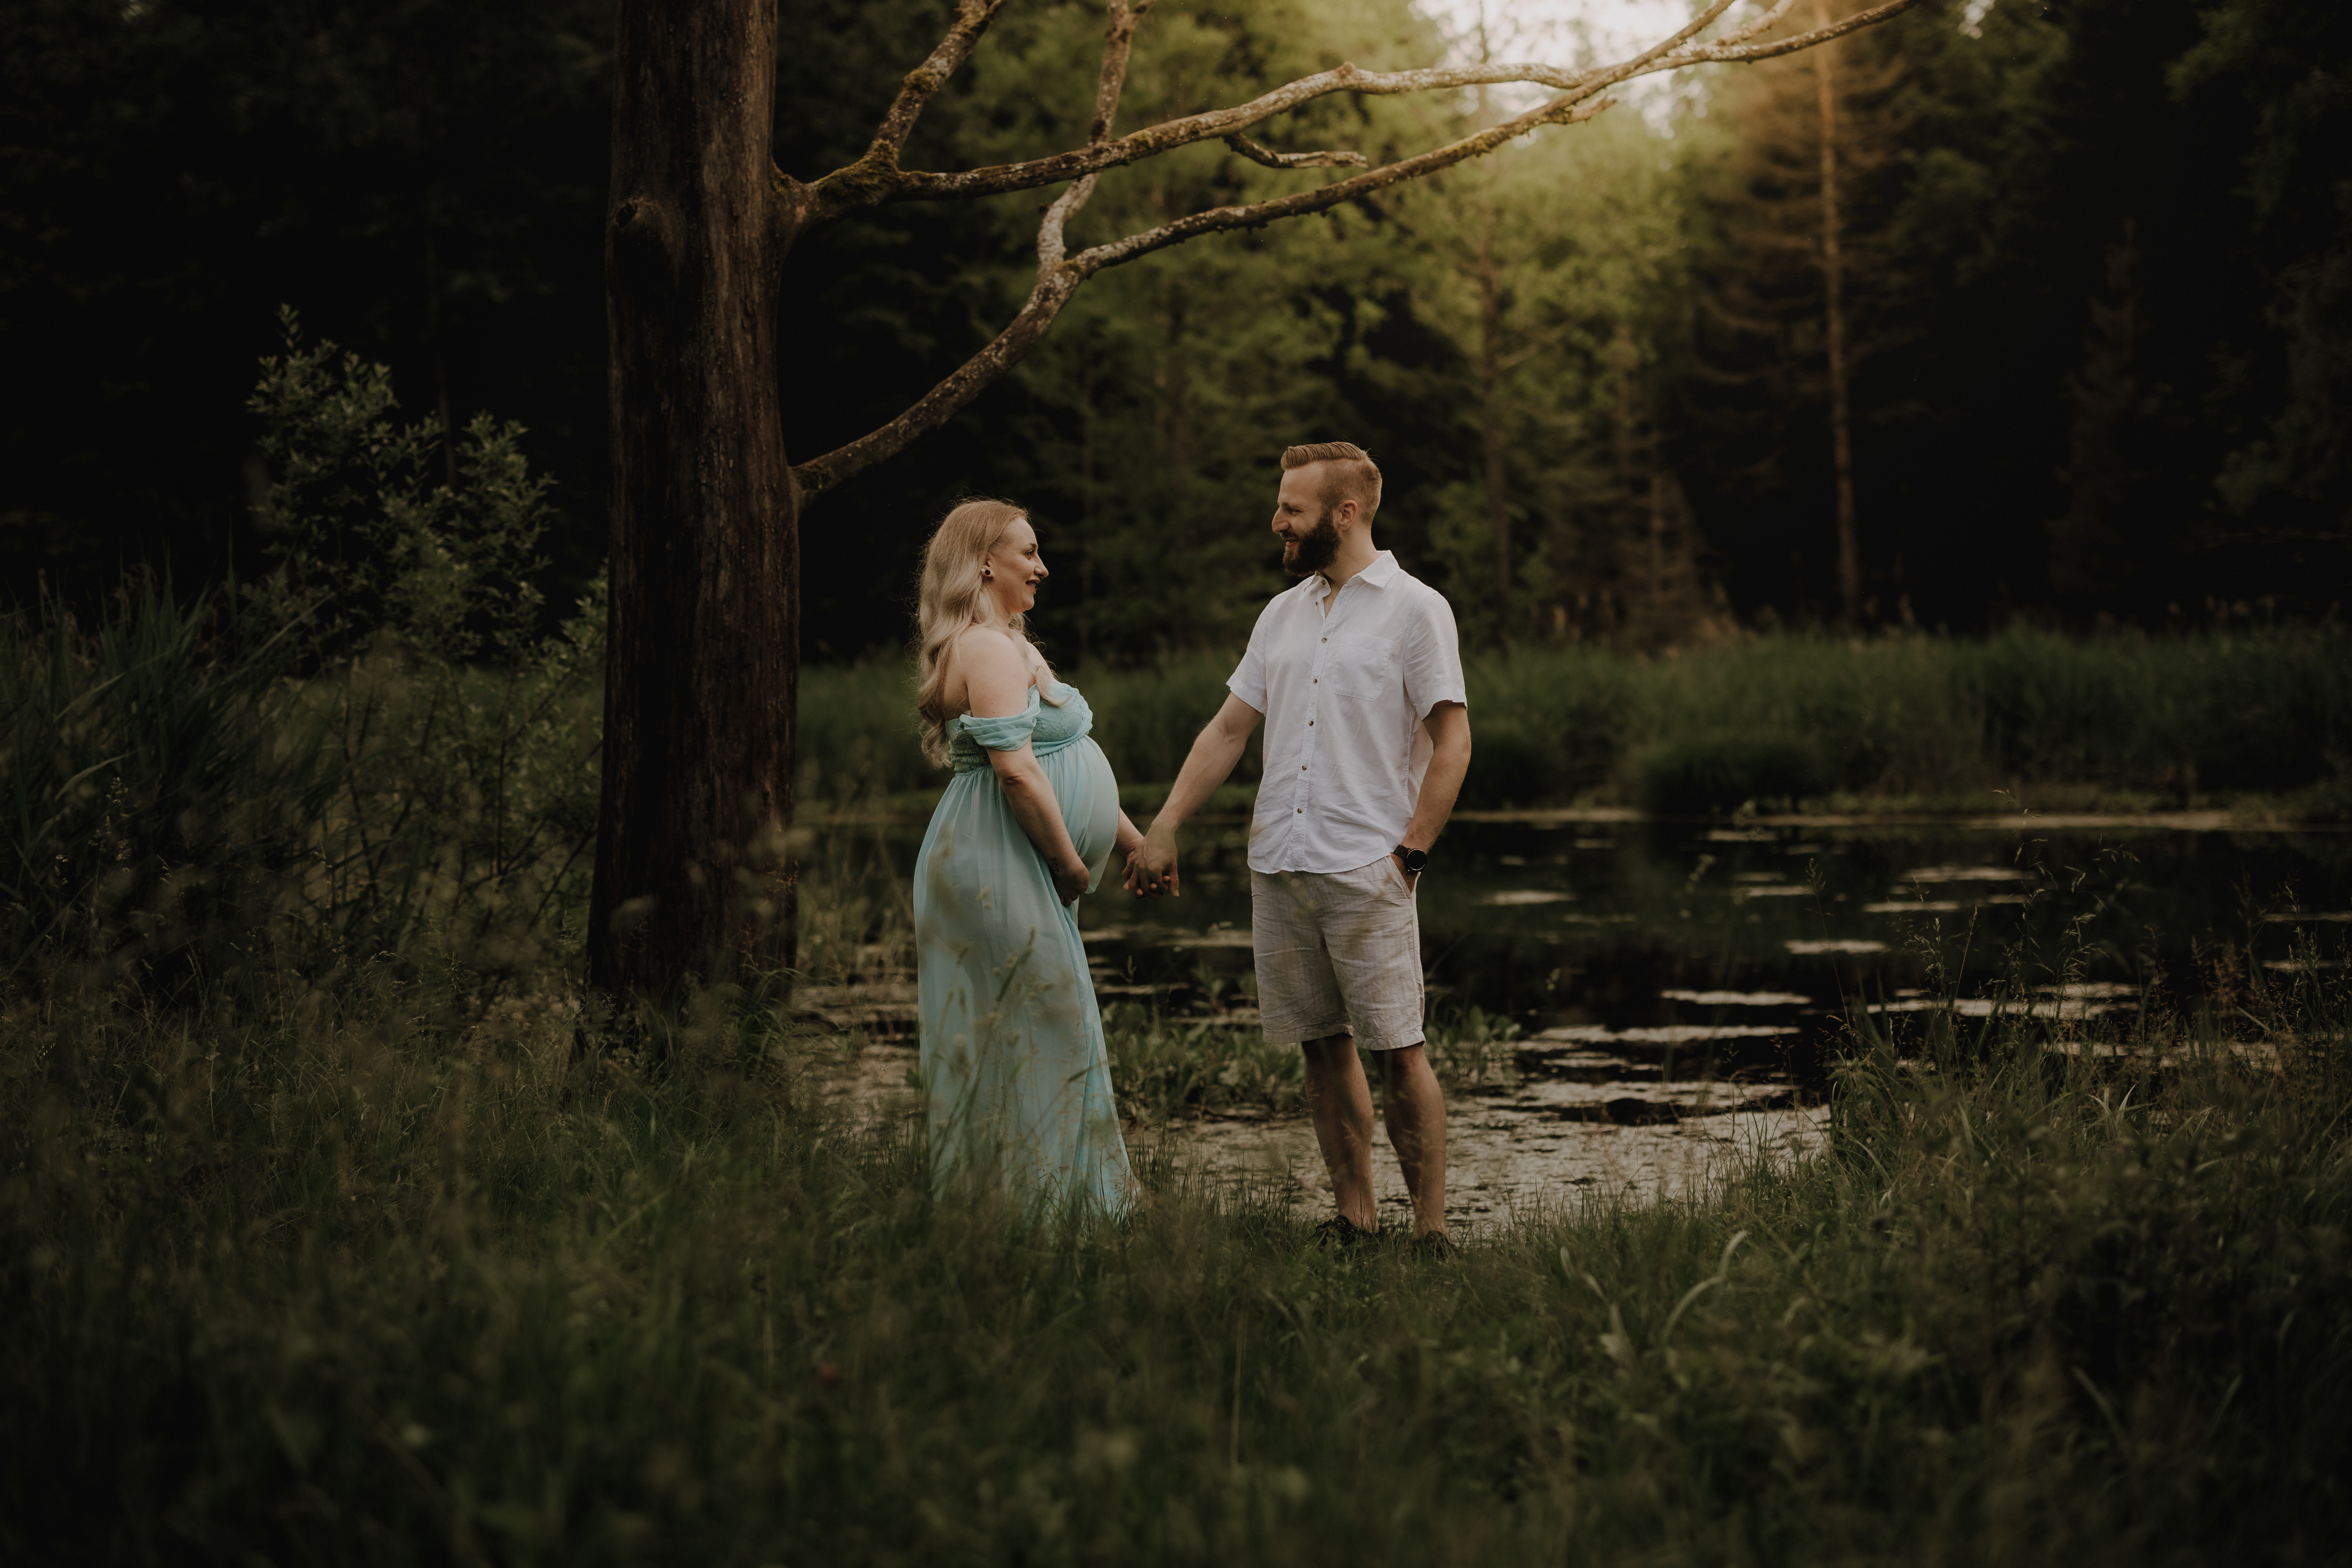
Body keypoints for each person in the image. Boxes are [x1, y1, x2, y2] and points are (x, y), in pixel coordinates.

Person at [1126, 442, 1472, 1253]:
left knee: (1400, 1047)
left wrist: (1409, 855)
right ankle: (1355, 1218)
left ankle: (1430, 1232)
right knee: (1321, 1045)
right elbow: (1228, 729)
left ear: (1344, 514)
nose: (1276, 520)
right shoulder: (1280, 614)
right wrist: (1167, 823)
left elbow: (1452, 743)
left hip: (1368, 864)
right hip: (1278, 862)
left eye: (1292, 508)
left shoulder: (1416, 608)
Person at [911, 499, 1145, 1218]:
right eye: (1029, 553)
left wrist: (1135, 843)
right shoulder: (983, 648)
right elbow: (1015, 770)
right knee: (1048, 1021)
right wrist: (1070, 864)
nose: (1042, 567)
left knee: (1042, 1022)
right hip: (999, 857)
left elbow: (1058, 755)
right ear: (985, 561)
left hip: (1010, 854)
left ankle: (1047, 1205)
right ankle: (1046, 1215)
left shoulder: (1005, 643)